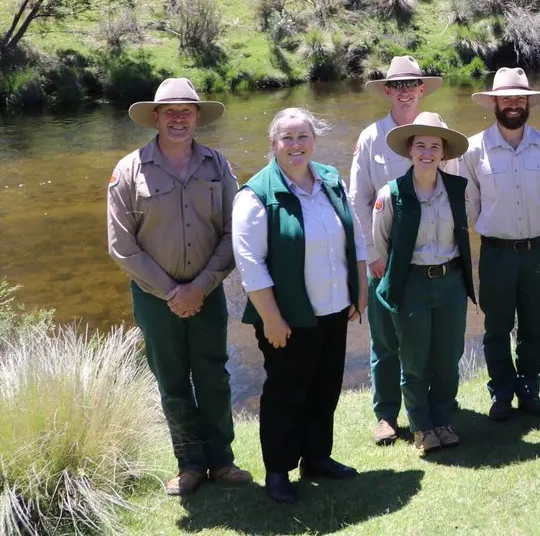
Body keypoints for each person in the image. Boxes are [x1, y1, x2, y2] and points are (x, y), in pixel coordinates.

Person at [107, 78, 251, 497]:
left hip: (208, 295)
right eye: (169, 111)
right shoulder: (128, 170)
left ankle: (222, 461)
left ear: (197, 117)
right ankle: (188, 464)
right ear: (154, 117)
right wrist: (172, 291)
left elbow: (232, 231)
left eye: (186, 110)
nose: (178, 118)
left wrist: (201, 287)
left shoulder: (218, 166)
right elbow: (121, 246)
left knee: (214, 376)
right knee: (171, 381)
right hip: (155, 300)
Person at [233, 108, 368, 504]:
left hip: (334, 308)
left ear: (314, 140)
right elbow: (250, 265)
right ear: (273, 144)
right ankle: (278, 471)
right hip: (288, 318)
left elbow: (354, 236)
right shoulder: (256, 194)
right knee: (285, 393)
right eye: (287, 138)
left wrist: (359, 290)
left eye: (303, 136)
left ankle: (317, 458)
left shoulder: (329, 179)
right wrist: (271, 319)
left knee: (325, 387)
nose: (296, 145)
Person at [348, 55, 458, 446]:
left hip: (428, 260)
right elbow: (357, 200)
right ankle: (386, 415)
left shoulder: (436, 131)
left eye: (413, 84)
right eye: (398, 85)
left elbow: (455, 186)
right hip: (384, 260)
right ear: (388, 91)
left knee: (428, 342)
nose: (406, 91)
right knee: (385, 340)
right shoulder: (370, 137)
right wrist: (372, 255)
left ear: (422, 89)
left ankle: (430, 413)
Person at [371, 113, 476, 455]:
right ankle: (421, 426)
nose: (427, 152)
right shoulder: (392, 194)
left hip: (451, 283)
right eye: (420, 146)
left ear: (444, 152)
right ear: (410, 151)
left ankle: (443, 420)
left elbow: (465, 232)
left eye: (435, 146)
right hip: (412, 284)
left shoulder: (458, 190)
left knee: (448, 357)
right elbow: (382, 241)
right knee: (414, 359)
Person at [461, 68, 540, 422]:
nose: (514, 104)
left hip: (537, 252)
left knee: (535, 326)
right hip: (496, 254)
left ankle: (529, 389)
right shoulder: (474, 150)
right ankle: (502, 392)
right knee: (496, 328)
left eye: (520, 98)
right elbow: (470, 203)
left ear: (528, 102)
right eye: (507, 98)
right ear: (494, 103)